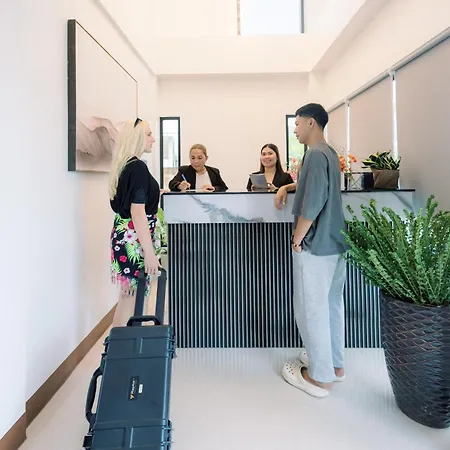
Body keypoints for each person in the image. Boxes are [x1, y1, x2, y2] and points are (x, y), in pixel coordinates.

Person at [278, 103, 347, 398]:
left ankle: (320, 378)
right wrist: (286, 187)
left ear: (310, 123)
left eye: (297, 123)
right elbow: (317, 188)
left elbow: (314, 201)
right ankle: (335, 366)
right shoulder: (328, 153)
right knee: (331, 306)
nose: (294, 129)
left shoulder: (314, 155)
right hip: (334, 241)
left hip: (315, 245)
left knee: (312, 310)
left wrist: (297, 238)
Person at [109, 118, 161, 326]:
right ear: (136, 138)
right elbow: (137, 211)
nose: (153, 139)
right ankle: (122, 345)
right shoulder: (138, 167)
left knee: (128, 296)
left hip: (126, 236)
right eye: (148, 134)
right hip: (134, 240)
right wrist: (149, 253)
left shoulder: (127, 165)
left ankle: (118, 344)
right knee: (132, 298)